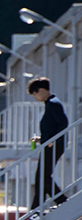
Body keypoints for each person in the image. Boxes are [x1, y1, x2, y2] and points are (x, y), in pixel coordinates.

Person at [31, 77, 70, 209]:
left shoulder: (53, 104)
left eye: (35, 94)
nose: (35, 97)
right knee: (41, 177)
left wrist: (54, 139)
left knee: (43, 176)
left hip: (54, 145)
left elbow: (63, 123)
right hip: (50, 144)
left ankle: (61, 202)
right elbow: (52, 127)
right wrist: (41, 139)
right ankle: (38, 209)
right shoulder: (50, 104)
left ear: (41, 90)